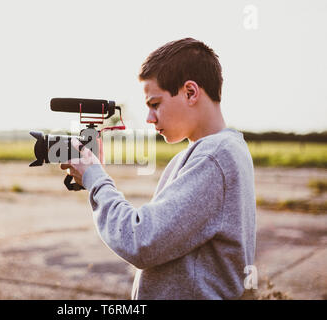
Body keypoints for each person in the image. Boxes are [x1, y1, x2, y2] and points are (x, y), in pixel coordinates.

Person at [60, 38, 256, 300]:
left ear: (190, 92)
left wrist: (96, 178)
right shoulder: (213, 152)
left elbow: (140, 240)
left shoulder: (215, 157)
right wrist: (92, 172)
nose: (150, 118)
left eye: (155, 104)